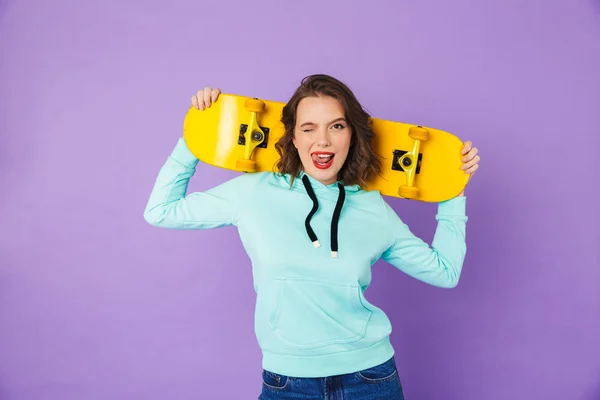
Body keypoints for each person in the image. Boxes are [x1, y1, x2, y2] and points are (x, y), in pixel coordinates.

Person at [143, 74, 480, 399]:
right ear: (293, 137)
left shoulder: (372, 209)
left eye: (336, 126)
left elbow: (444, 272)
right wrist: (195, 137)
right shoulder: (254, 193)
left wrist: (452, 189)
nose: (323, 140)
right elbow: (161, 210)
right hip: (287, 383)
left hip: (371, 379)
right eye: (309, 128)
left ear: (352, 135)